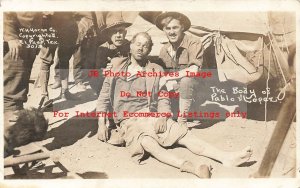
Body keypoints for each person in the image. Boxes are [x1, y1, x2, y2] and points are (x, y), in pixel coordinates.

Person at [96, 32, 253, 178]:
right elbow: (104, 95)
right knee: (147, 142)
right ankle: (192, 167)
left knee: (183, 134)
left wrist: (163, 117)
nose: (140, 48)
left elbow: (163, 95)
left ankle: (225, 157)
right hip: (128, 120)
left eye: (145, 46)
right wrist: (101, 123)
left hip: (150, 115)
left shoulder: (155, 69)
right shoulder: (116, 65)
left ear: (149, 50)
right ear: (130, 45)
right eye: (137, 44)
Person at [156, 12, 206, 126]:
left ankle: (182, 121)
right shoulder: (165, 49)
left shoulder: (193, 42)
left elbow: (193, 70)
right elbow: (161, 72)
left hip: (197, 89)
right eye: (167, 28)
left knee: (186, 80)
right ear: (164, 30)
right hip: (176, 90)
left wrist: (168, 77)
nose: (171, 32)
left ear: (182, 27)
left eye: (175, 27)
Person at [4, 12, 43, 111]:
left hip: (29, 39)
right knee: (12, 89)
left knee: (21, 82)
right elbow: (6, 10)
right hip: (16, 42)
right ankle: (12, 120)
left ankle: (16, 114)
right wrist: (11, 36)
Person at [89, 12, 131, 95]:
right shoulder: (103, 49)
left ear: (125, 33)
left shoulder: (129, 45)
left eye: (121, 31)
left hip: (125, 80)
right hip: (108, 82)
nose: (118, 35)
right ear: (108, 34)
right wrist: (104, 71)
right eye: (114, 32)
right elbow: (97, 71)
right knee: (94, 77)